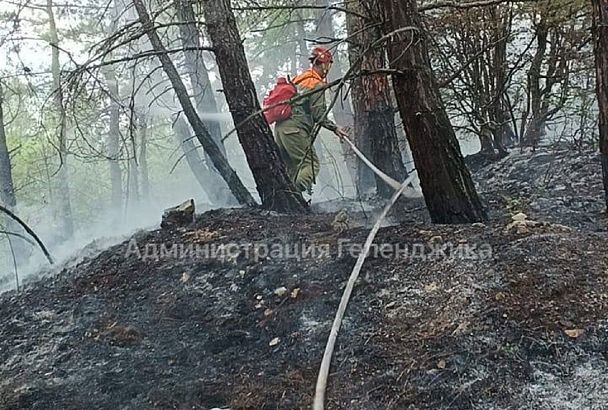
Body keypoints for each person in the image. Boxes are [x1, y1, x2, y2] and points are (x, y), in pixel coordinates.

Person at [274, 46, 350, 195]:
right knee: (311, 164)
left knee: (292, 168)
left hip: (280, 129)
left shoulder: (300, 79)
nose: (328, 69)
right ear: (323, 64)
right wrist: (335, 128)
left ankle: (290, 204)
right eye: (328, 64)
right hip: (294, 130)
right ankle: (293, 196)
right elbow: (318, 114)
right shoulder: (315, 83)